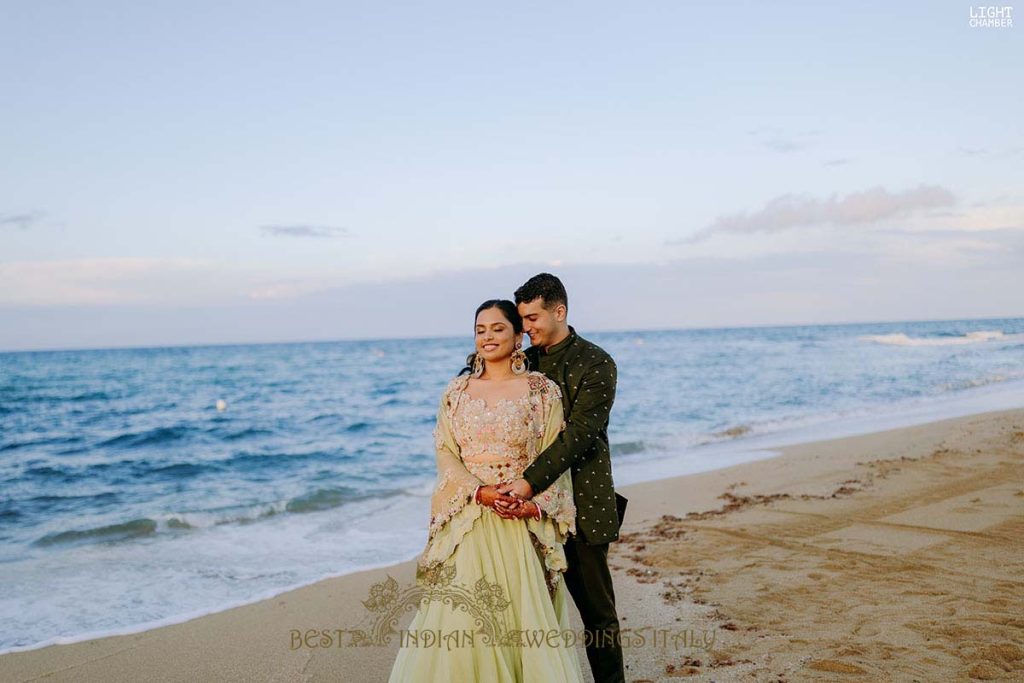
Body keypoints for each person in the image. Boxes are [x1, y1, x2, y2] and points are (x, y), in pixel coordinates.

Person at [388, 299, 585, 683]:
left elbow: (554, 455)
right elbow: (445, 452)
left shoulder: (541, 391)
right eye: (481, 330)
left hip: (519, 518)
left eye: (498, 328)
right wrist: (478, 492)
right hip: (470, 517)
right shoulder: (457, 391)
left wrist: (536, 504)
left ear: (517, 335)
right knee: (460, 620)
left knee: (522, 619)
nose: (488, 337)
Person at [494, 273, 626, 683]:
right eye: (522, 319)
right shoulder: (524, 362)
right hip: (523, 511)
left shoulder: (597, 362)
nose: (526, 327)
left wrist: (529, 481)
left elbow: (580, 436)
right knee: (526, 613)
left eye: (532, 318)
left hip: (583, 505)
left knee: (597, 615)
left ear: (560, 311)